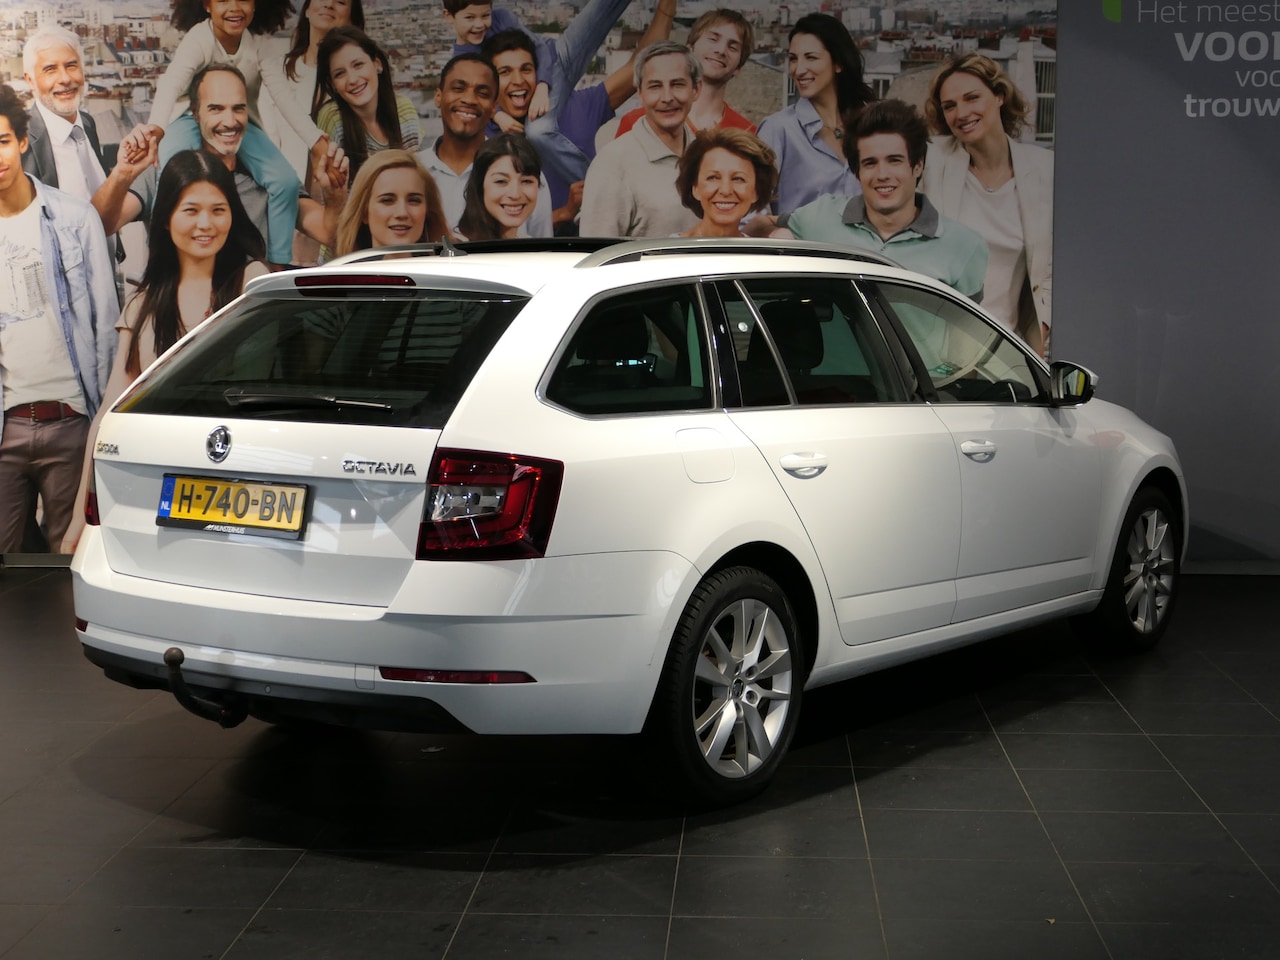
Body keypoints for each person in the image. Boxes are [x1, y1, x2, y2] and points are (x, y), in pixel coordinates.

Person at [61, 150, 268, 553]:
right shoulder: (143, 306)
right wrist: (78, 518)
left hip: (238, 485)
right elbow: (109, 416)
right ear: (167, 218)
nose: (206, 224)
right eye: (191, 210)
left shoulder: (251, 284)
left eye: (218, 210)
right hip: (161, 486)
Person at [122, 0, 330, 269]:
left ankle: (276, 262)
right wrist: (158, 128)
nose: (234, 7)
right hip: (188, 119)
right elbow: (171, 83)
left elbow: (283, 97)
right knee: (171, 173)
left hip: (240, 124)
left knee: (285, 182)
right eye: (223, 0)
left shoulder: (259, 45)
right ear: (206, 5)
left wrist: (316, 141)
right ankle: (163, 258)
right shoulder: (199, 38)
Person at [0, 84, 118, 555]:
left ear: (21, 141)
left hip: (70, 421)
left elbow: (107, 328)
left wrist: (100, 428)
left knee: (69, 562)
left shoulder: (74, 218)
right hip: (6, 425)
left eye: (2, 141)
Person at [481, 0, 676, 230]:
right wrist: (563, 213)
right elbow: (484, 224)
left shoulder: (574, 107)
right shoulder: (483, 136)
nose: (518, 80)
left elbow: (640, 66)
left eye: (526, 69)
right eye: (505, 72)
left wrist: (667, 7)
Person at [774, 99, 988, 300]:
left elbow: (964, 327)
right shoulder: (820, 217)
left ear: (918, 166)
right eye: (870, 163)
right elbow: (766, 227)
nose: (882, 174)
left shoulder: (965, 247)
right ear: (856, 172)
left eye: (894, 161)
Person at [923, 52, 1054, 355]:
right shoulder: (931, 161)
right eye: (950, 106)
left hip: (1005, 351)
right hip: (935, 347)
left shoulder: (1045, 169)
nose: (961, 113)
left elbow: (1051, 268)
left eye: (972, 98)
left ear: (999, 96)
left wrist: (1042, 329)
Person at [190, 64, 348, 257]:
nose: (230, 121)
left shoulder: (271, 175)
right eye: (216, 109)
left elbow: (328, 233)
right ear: (195, 113)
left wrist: (335, 197)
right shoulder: (176, 174)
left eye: (238, 109)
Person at [260, 0, 365, 265]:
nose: (328, 4)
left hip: (340, 207)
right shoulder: (278, 72)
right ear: (306, 10)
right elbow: (268, 139)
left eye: (340, 1)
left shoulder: (356, 81)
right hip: (287, 203)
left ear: (352, 18)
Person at [418, 54, 553, 238]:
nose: (469, 100)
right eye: (458, 89)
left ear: (493, 107)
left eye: (482, 93)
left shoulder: (525, 174)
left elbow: (541, 246)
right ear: (438, 96)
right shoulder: (414, 171)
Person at [579, 41, 701, 239]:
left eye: (678, 84)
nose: (667, 97)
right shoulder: (612, 163)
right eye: (655, 86)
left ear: (696, 89)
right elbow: (598, 249)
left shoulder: (707, 155)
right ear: (640, 93)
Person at [756, 14, 875, 216]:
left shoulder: (870, 126)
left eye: (811, 57)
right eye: (793, 59)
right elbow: (752, 211)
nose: (798, 70)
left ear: (838, 63)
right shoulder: (778, 129)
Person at [613, 9, 757, 138]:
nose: (721, 50)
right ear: (691, 47)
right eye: (713, 39)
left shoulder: (747, 134)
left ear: (739, 67)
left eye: (733, 47)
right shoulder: (637, 122)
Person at [314, 26, 423, 184]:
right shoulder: (333, 117)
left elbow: (414, 178)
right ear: (333, 85)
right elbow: (331, 188)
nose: (352, 79)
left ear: (377, 64)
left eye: (358, 65)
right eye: (340, 73)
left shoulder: (403, 108)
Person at [334, 149, 452, 256]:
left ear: (428, 210)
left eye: (414, 200)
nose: (402, 213)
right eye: (387, 200)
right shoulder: (342, 272)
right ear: (364, 212)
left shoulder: (451, 270)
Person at [675, 127, 776, 238]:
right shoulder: (671, 248)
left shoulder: (759, 249)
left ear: (756, 191)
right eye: (713, 177)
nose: (725, 190)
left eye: (738, 179)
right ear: (695, 188)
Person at [454, 133, 541, 240]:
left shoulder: (532, 246)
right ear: (480, 185)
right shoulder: (456, 248)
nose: (515, 194)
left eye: (526, 181)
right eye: (501, 181)